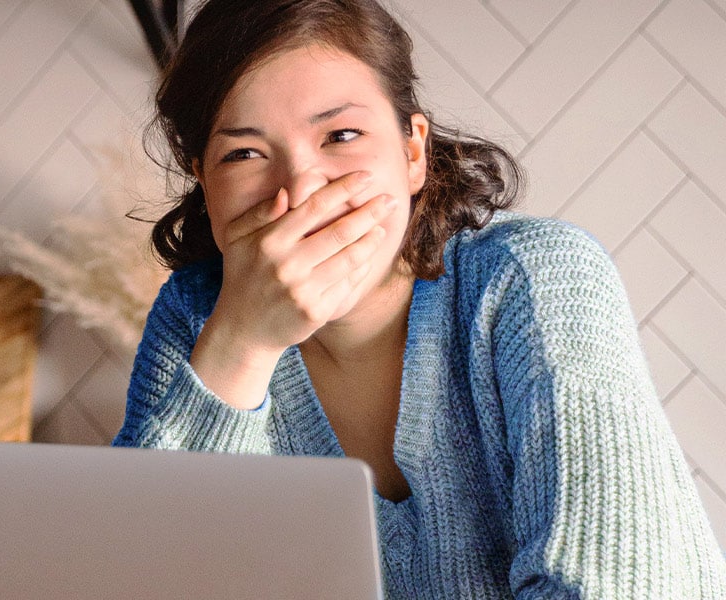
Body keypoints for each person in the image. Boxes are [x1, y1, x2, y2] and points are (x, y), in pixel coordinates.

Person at [112, 0, 726, 596]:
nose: (300, 191)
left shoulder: (534, 277)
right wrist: (241, 342)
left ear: (412, 152)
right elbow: (132, 574)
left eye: (342, 135)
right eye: (243, 153)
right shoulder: (198, 318)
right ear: (204, 180)